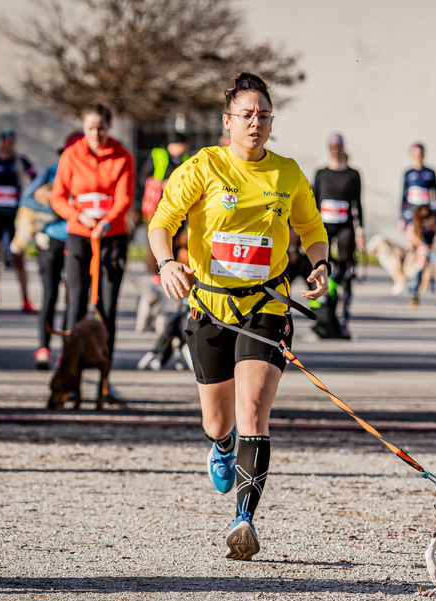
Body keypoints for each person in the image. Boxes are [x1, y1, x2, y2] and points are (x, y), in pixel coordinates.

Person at [148, 72, 330, 561]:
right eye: (247, 115)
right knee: (218, 421)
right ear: (227, 121)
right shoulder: (202, 166)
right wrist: (167, 263)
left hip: (265, 306)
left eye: (264, 116)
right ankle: (222, 445)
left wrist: (320, 262)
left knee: (254, 410)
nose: (256, 123)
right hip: (209, 306)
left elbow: (312, 228)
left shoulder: (287, 173)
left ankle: (243, 519)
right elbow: (162, 222)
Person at [50, 104, 135, 385]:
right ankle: (69, 372)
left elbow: (124, 197)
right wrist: (79, 217)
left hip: (111, 236)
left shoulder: (122, 156)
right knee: (76, 303)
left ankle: (104, 377)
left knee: (106, 307)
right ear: (83, 129)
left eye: (100, 128)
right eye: (90, 129)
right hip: (79, 234)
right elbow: (58, 197)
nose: (96, 134)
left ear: (108, 127)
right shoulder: (72, 155)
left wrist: (108, 221)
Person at [26, 131, 83, 370]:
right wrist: (56, 204)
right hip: (50, 239)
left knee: (74, 298)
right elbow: (27, 199)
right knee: (49, 294)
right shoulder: (50, 172)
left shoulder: (86, 174)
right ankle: (43, 349)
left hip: (78, 238)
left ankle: (66, 352)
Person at [0, 129, 38, 312]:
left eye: (12, 142)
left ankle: (26, 299)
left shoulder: (20, 161)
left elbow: (36, 178)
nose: (9, 145)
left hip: (16, 216)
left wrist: (30, 201)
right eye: (6, 141)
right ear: (1, 142)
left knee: (18, 258)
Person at [313, 133, 363, 335]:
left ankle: (343, 313)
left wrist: (360, 231)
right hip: (324, 225)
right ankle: (321, 312)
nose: (335, 150)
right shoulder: (321, 173)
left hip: (345, 226)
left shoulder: (353, 174)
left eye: (338, 146)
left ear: (343, 148)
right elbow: (314, 203)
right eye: (332, 146)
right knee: (320, 263)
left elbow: (358, 205)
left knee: (345, 266)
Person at [140, 131, 190, 223]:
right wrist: (160, 184)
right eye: (183, 145)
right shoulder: (158, 155)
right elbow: (143, 178)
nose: (186, 148)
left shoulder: (185, 159)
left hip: (178, 205)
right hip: (157, 204)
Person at [398, 142, 436, 232]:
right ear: (412, 155)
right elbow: (403, 196)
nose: (418, 157)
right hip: (412, 209)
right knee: (411, 231)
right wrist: (401, 217)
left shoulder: (430, 172)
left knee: (426, 233)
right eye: (416, 154)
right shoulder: (408, 173)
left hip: (426, 210)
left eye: (420, 154)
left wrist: (435, 212)